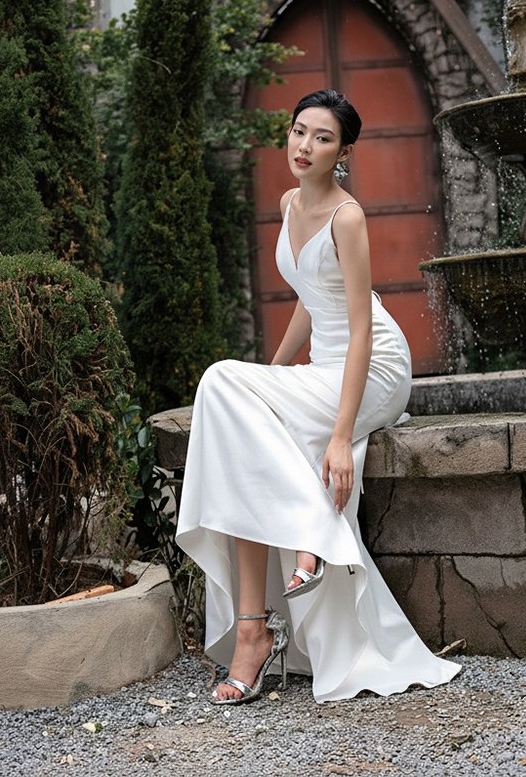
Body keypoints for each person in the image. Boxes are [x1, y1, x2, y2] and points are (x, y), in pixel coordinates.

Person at [175, 88, 460, 704]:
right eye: (299, 131)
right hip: (322, 369)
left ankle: (302, 547)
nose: (305, 146)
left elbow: (359, 330)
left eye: (323, 137)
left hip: (374, 366)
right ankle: (252, 631)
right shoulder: (287, 203)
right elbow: (308, 297)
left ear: (343, 152)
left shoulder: (347, 217)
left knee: (219, 380)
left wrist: (340, 436)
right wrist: (271, 378)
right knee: (235, 421)